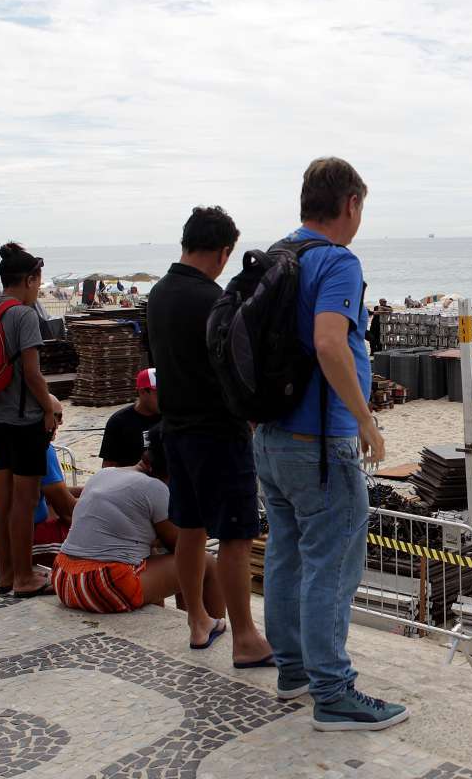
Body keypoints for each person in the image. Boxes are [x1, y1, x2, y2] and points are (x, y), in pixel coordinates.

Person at [254, 157, 408, 730]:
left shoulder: (276, 255)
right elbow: (328, 342)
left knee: (286, 552)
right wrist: (366, 419)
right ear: (351, 204)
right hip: (320, 441)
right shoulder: (337, 261)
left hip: (270, 437)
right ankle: (333, 692)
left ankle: (293, 670)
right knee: (333, 563)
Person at [148, 206, 272, 666]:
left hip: (175, 429)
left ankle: (198, 620)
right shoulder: (213, 300)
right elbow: (235, 370)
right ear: (223, 252)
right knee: (237, 536)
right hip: (219, 431)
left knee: (190, 529)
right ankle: (245, 638)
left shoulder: (158, 295)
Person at [54, 425, 226, 619]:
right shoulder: (155, 488)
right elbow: (184, 548)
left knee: (150, 553)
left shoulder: (105, 474)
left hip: (63, 577)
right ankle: (215, 628)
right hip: (101, 584)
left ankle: (189, 619)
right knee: (208, 563)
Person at [0, 243, 57, 598]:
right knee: (24, 502)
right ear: (29, 279)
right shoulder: (24, 315)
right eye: (38, 281)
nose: (39, 289)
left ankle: (7, 574)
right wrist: (49, 407)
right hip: (23, 420)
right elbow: (32, 373)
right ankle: (26, 577)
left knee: (3, 498)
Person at [0, 400, 77, 576]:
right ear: (43, 416)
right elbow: (69, 512)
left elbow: (53, 492)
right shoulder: (39, 446)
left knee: (49, 506)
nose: (61, 423)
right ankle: (24, 578)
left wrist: (91, 490)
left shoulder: (1, 441)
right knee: (79, 537)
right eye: (59, 416)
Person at [100, 368, 162, 467]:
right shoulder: (119, 422)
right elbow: (109, 467)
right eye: (159, 394)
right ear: (143, 392)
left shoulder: (170, 417)